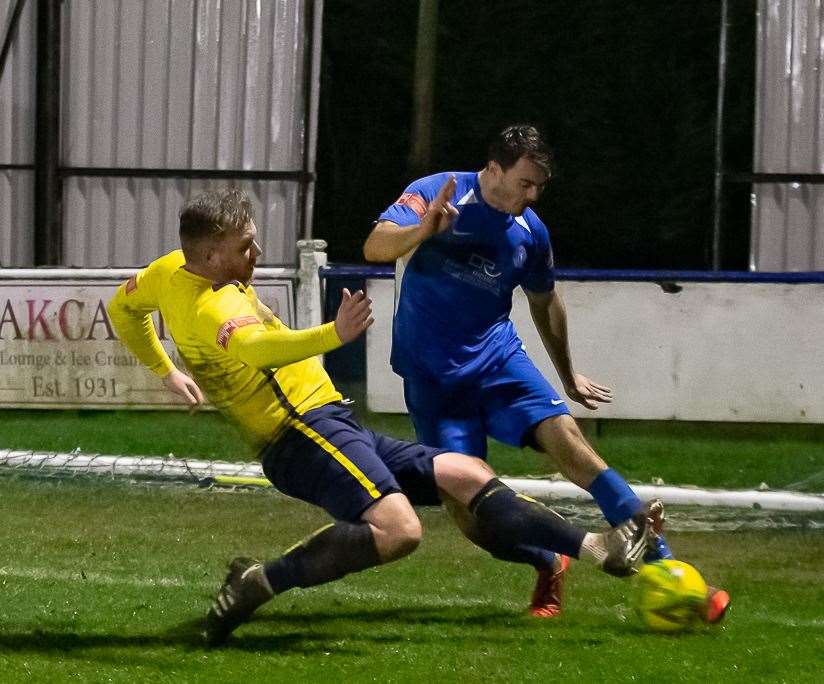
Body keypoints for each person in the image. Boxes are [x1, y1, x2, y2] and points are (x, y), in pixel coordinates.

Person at [107, 187, 651, 646]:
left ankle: (598, 549)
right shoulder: (212, 306)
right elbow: (256, 350)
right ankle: (260, 582)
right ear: (207, 258)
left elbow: (122, 308)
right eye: (245, 247)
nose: (257, 252)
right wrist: (333, 335)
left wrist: (164, 370)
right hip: (297, 434)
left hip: (327, 422)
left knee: (468, 474)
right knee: (399, 531)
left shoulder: (168, 271)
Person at [363, 124, 729, 622]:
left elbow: (546, 302)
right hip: (434, 382)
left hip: (497, 362)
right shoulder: (438, 192)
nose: (532, 195)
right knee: (473, 520)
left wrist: (569, 374)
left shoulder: (530, 232)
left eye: (540, 186)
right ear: (494, 169)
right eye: (525, 183)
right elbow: (376, 246)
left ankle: (670, 571)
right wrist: (423, 229)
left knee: (569, 442)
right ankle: (548, 559)